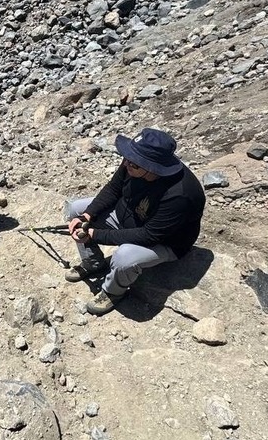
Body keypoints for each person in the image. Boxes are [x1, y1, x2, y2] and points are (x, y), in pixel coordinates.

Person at [65, 128, 206, 316]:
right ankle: (93, 263)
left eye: (133, 163)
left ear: (153, 167)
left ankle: (113, 292)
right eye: (126, 158)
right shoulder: (133, 162)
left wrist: (94, 234)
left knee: (124, 257)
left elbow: (149, 235)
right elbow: (113, 189)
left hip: (163, 241)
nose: (126, 164)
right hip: (128, 215)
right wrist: (87, 216)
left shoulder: (181, 195)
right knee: (76, 209)